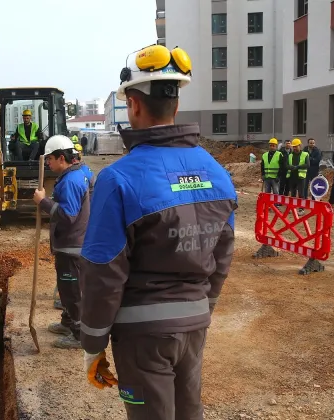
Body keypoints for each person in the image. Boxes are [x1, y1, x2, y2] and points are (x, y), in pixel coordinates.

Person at [80, 44, 236, 420]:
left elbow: (103, 270)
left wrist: (93, 344)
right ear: (176, 104)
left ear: (133, 104)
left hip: (143, 333)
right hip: (195, 322)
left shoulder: (117, 179)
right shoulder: (217, 173)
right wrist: (202, 307)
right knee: (188, 413)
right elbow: (222, 256)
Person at [32, 135, 94, 349]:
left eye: (50, 158)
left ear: (61, 158)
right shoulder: (77, 174)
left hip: (71, 245)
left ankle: (79, 335)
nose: (48, 163)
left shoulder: (70, 181)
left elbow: (68, 216)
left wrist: (44, 202)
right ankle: (68, 322)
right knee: (68, 288)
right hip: (73, 243)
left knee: (72, 291)